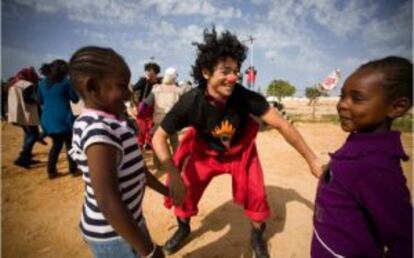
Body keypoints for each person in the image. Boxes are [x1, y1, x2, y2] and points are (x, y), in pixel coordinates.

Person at [152, 27, 322, 257]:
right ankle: (183, 228)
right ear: (205, 72)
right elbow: (159, 136)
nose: (233, 77)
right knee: (185, 192)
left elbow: (282, 124)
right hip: (205, 154)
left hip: (241, 152)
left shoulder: (245, 97)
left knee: (257, 196)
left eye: (236, 71)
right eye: (225, 71)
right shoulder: (190, 101)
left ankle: (257, 235)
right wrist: (173, 173)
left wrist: (311, 159)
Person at [68, 46, 167, 258]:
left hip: (128, 224)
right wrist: (148, 251)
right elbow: (108, 200)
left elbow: (139, 170)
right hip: (115, 235)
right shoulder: (99, 131)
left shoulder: (110, 122)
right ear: (93, 87)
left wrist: (167, 192)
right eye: (122, 86)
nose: (129, 92)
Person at [311, 56, 413, 258]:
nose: (342, 105)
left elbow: (405, 240)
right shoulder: (360, 143)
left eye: (356, 98)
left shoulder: (376, 167)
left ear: (396, 107)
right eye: (342, 96)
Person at [38, 59, 79, 179]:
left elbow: (39, 100)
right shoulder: (66, 83)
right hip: (64, 118)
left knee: (56, 145)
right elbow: (75, 99)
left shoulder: (41, 84)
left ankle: (51, 171)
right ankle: (73, 170)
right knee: (70, 144)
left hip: (48, 120)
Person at [150, 67, 189, 169]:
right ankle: (177, 163)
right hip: (172, 120)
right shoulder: (178, 90)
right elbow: (184, 105)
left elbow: (147, 102)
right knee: (175, 142)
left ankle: (159, 165)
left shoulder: (156, 88)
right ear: (174, 78)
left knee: (157, 141)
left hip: (158, 119)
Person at [7, 67, 42, 168]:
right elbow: (28, 99)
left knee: (28, 135)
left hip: (18, 114)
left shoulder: (14, 84)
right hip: (28, 114)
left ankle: (27, 158)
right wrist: (38, 101)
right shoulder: (27, 85)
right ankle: (22, 158)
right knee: (34, 135)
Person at [132, 62, 161, 149]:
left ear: (155, 72)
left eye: (149, 70)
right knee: (140, 124)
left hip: (154, 107)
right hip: (142, 106)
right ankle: (140, 143)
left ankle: (149, 142)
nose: (147, 72)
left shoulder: (160, 82)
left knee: (151, 125)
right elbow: (132, 90)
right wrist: (133, 104)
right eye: (146, 70)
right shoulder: (143, 80)